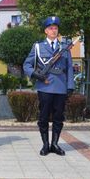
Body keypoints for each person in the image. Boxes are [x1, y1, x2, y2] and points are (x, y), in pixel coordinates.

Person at [23, 16, 74, 156]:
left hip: (61, 87)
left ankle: (55, 144)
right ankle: (45, 144)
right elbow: (26, 65)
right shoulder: (38, 47)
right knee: (44, 117)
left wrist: (70, 86)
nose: (54, 31)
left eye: (56, 28)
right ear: (46, 31)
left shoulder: (64, 48)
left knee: (59, 117)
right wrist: (35, 75)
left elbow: (69, 67)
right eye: (51, 28)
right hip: (45, 87)